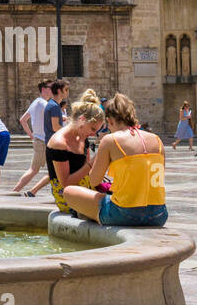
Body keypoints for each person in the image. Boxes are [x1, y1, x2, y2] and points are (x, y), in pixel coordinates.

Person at [63, 93, 167, 227]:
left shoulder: (111, 140)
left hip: (125, 213)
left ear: (110, 121)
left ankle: (91, 215)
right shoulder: (157, 140)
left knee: (69, 192)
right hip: (159, 214)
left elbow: (94, 180)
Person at [45, 89, 104, 212]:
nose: (94, 134)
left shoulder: (83, 136)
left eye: (96, 131)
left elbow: (87, 173)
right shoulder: (59, 143)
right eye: (92, 128)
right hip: (67, 195)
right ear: (82, 119)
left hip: (84, 188)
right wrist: (92, 163)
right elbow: (65, 183)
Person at [12, 79, 53, 194]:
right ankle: (16, 191)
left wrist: (31, 135)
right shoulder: (43, 103)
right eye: (50, 87)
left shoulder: (36, 102)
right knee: (35, 170)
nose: (53, 90)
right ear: (44, 89)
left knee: (50, 170)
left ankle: (29, 191)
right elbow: (53, 114)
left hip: (39, 140)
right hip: (43, 142)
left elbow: (23, 120)